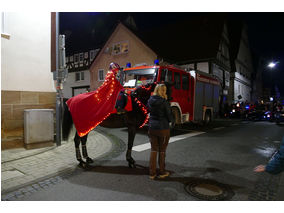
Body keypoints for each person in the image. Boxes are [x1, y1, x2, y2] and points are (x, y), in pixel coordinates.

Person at [147, 84, 172, 180]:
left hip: (152, 127)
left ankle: (152, 173)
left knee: (153, 150)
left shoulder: (150, 100)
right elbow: (169, 116)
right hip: (163, 129)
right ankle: (162, 172)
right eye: (164, 90)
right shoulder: (164, 102)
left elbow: (147, 110)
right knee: (162, 151)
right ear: (163, 91)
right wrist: (172, 120)